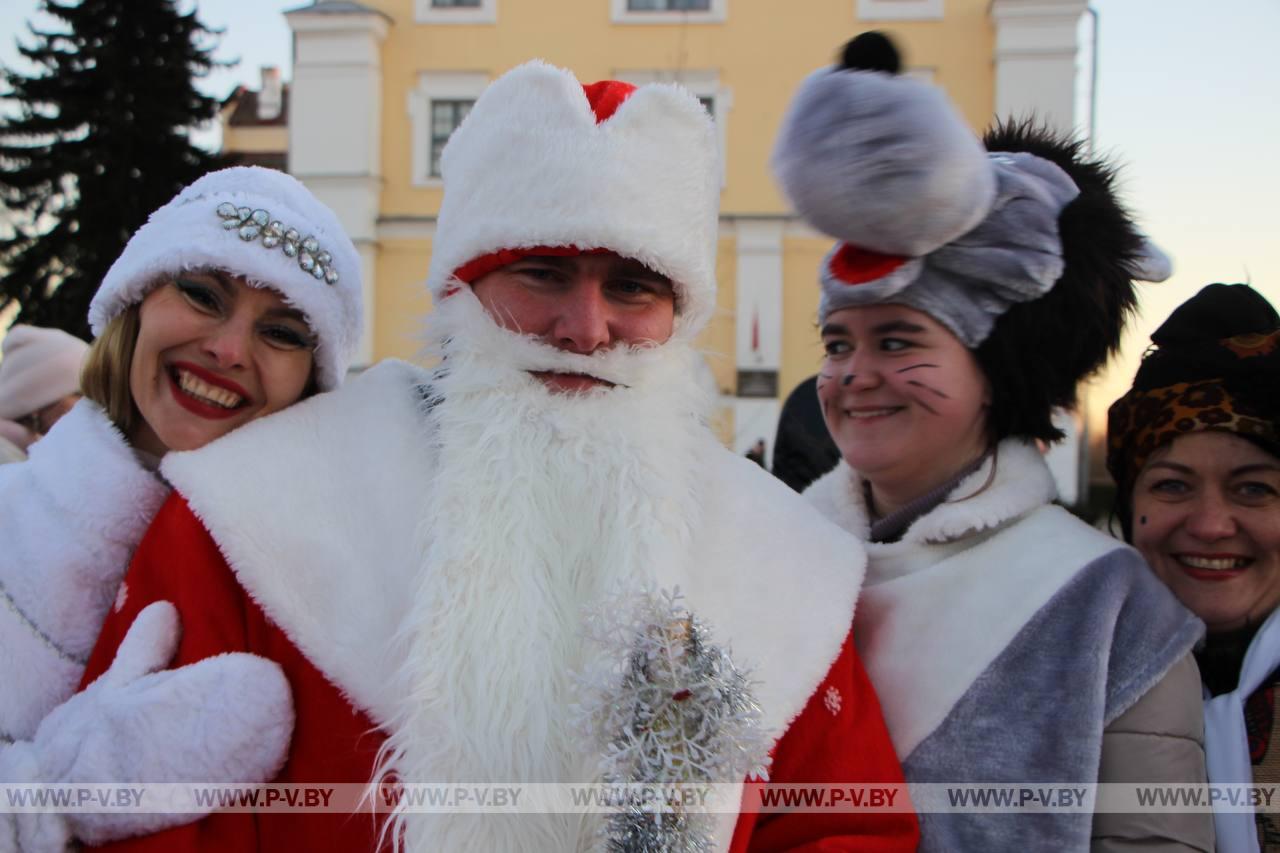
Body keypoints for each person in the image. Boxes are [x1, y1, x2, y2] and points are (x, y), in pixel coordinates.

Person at [77, 61, 919, 852]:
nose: (585, 329)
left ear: (676, 313)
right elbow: (146, 817)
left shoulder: (783, 559)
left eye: (631, 286)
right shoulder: (259, 505)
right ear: (464, 287)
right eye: (544, 271)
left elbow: (845, 827)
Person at [773, 33, 1211, 851]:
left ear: (998, 370)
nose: (855, 373)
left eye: (899, 341)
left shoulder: (1106, 602)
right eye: (838, 344)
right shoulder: (767, 557)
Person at [0, 165, 363, 851]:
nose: (228, 349)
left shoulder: (323, 595)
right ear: (136, 301)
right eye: (202, 294)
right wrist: (51, 795)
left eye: (282, 332)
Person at [1108, 282, 1280, 852]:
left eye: (1253, 488)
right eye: (1172, 485)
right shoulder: (1065, 682)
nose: (1210, 525)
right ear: (1131, 508)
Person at [0, 324, 89, 463]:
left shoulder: (39, 455)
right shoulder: (12, 463)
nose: (96, 403)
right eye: (81, 393)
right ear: (40, 402)